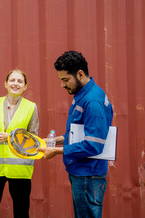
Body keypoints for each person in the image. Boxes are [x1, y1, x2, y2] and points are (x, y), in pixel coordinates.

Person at [38, 51, 113, 218]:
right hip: (82, 174)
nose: (63, 85)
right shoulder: (82, 94)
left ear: (80, 74)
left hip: (88, 176)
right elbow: (79, 134)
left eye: (65, 80)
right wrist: (53, 140)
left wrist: (56, 151)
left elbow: (93, 145)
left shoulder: (92, 101)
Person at [0, 69, 39, 218]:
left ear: (25, 86)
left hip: (20, 170)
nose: (15, 84)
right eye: (12, 80)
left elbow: (33, 141)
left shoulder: (31, 108)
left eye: (19, 81)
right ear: (6, 84)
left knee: (21, 212)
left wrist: (10, 137)